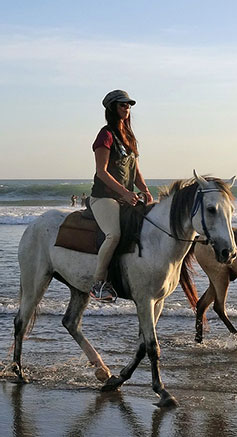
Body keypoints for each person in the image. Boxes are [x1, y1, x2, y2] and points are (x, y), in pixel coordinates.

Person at [88, 89, 153, 302]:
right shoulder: (105, 135)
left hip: (125, 197)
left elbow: (136, 171)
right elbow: (102, 172)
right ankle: (98, 284)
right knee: (113, 235)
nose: (127, 108)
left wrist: (145, 190)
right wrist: (125, 193)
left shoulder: (129, 137)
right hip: (104, 197)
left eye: (129, 105)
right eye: (123, 105)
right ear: (112, 108)